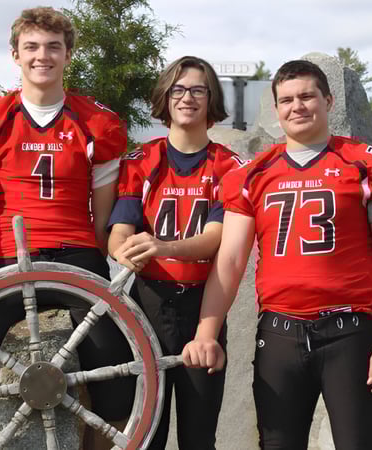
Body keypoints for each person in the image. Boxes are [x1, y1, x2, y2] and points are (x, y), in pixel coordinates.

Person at [182, 59, 372, 450]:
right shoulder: (253, 174)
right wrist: (207, 331)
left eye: (307, 96)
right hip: (279, 335)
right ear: (276, 109)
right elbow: (231, 260)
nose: (297, 106)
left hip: (351, 333)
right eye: (287, 99)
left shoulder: (365, 165)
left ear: (328, 100)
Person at [0, 6, 133, 449]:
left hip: (76, 252)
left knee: (115, 367)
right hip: (6, 257)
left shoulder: (96, 122)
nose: (42, 56)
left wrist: (90, 258)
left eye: (53, 47)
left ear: (68, 54)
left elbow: (103, 211)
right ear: (15, 54)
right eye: (31, 47)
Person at [108, 55, 243, 449]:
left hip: (204, 303)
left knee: (199, 434)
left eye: (198, 89)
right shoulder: (140, 160)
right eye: (178, 89)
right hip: (148, 302)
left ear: (211, 97)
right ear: (165, 98)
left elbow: (216, 236)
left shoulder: (229, 165)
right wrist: (123, 253)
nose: (187, 97)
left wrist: (162, 246)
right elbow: (119, 234)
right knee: (147, 431)